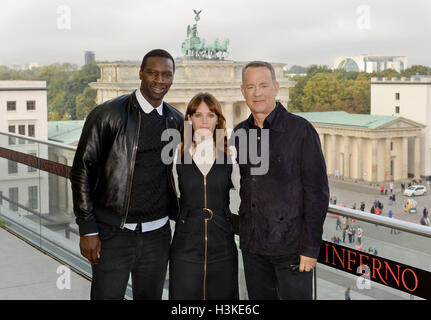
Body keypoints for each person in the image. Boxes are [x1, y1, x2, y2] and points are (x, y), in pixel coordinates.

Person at [70, 49, 184, 300]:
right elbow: (82, 169)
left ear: (173, 78)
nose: (159, 80)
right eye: (153, 73)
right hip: (113, 233)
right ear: (141, 73)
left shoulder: (175, 120)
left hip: (158, 234)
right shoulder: (108, 113)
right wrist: (87, 228)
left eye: (166, 74)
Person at [231, 61, 329, 300]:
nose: (257, 92)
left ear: (275, 87)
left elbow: (317, 193)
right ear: (243, 92)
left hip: (292, 250)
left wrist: (310, 249)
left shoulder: (301, 130)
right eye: (250, 86)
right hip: (253, 248)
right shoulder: (239, 133)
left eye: (263, 85)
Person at [169, 92, 240, 300]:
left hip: (223, 242)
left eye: (210, 115)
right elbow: (169, 194)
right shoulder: (176, 153)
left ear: (218, 119)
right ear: (189, 118)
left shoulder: (231, 153)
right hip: (186, 243)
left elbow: (247, 194)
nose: (204, 121)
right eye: (198, 115)